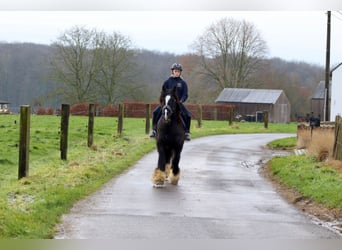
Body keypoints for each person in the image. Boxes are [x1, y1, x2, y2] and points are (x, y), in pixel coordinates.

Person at [150, 63, 191, 141]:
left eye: (178, 71)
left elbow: (185, 94)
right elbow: (163, 92)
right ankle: (154, 130)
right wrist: (163, 101)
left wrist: (181, 101)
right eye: (175, 71)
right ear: (172, 71)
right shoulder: (167, 82)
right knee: (155, 112)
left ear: (180, 72)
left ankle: (186, 133)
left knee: (188, 115)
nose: (177, 73)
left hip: (178, 103)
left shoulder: (183, 83)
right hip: (167, 103)